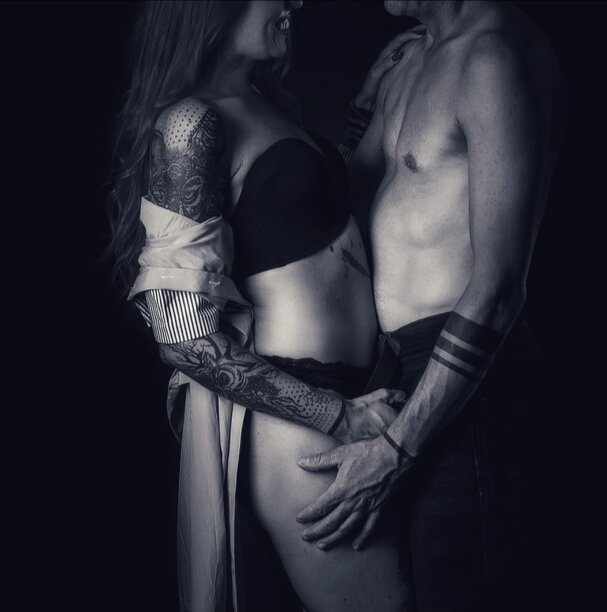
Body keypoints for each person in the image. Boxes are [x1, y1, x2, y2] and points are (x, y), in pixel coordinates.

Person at [107, 2, 422, 611]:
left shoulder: (267, 106)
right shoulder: (190, 124)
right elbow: (181, 335)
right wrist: (337, 417)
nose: (294, 3)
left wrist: (365, 106)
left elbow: (309, 218)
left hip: (358, 396)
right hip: (305, 419)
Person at [296, 1, 567, 610]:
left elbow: (500, 287)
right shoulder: (408, 58)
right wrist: (362, 107)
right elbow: (346, 206)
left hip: (465, 381)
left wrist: (396, 450)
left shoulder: (493, 58)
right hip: (389, 372)